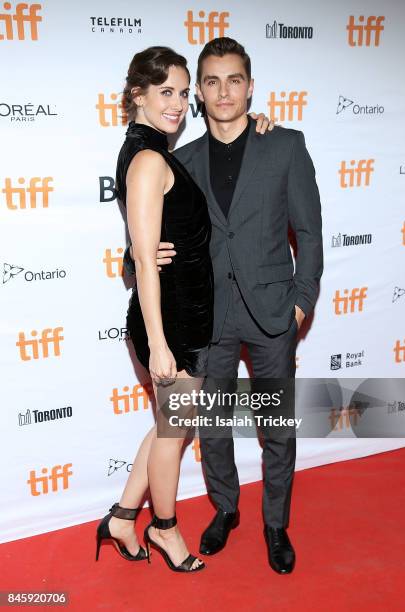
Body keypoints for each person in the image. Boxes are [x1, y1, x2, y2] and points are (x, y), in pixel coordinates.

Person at [95, 45, 273, 573]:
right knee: (174, 433)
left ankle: (124, 517)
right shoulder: (150, 158)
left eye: (179, 92)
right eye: (164, 92)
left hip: (181, 313)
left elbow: (148, 242)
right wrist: (160, 345)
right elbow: (147, 264)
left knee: (167, 425)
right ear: (138, 96)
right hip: (170, 320)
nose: (176, 104)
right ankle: (165, 529)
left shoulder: (148, 151)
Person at [154, 37, 324, 574]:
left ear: (250, 86)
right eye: (211, 81)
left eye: (234, 80)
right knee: (213, 423)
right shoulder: (179, 162)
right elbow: (159, 237)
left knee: (277, 427)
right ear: (200, 94)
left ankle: (276, 523)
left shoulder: (286, 146)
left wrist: (303, 302)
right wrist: (146, 255)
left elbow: (310, 233)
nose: (223, 90)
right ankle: (226, 508)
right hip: (210, 318)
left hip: (274, 313)